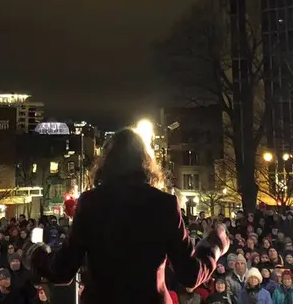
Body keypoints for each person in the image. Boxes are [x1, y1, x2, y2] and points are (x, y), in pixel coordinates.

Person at [28, 128, 229, 304]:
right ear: (146, 162)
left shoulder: (91, 203)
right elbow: (190, 274)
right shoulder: (164, 204)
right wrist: (215, 246)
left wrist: (37, 254)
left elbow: (62, 270)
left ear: (107, 162)